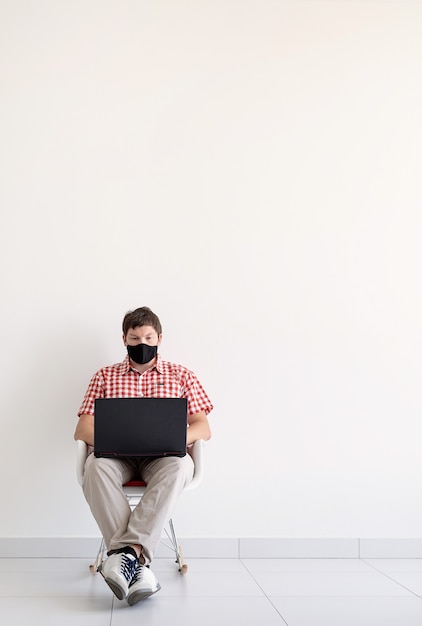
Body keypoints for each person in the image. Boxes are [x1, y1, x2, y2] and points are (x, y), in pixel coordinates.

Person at [74, 306, 213, 606]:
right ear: (123, 339)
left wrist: (173, 438)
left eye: (148, 337)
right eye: (134, 338)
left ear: (160, 338)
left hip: (162, 457)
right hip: (116, 457)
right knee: (95, 467)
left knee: (179, 466)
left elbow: (203, 427)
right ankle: (138, 565)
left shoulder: (181, 375)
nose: (141, 344)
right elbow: (83, 428)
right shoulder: (105, 376)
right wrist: (114, 438)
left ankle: (124, 558)